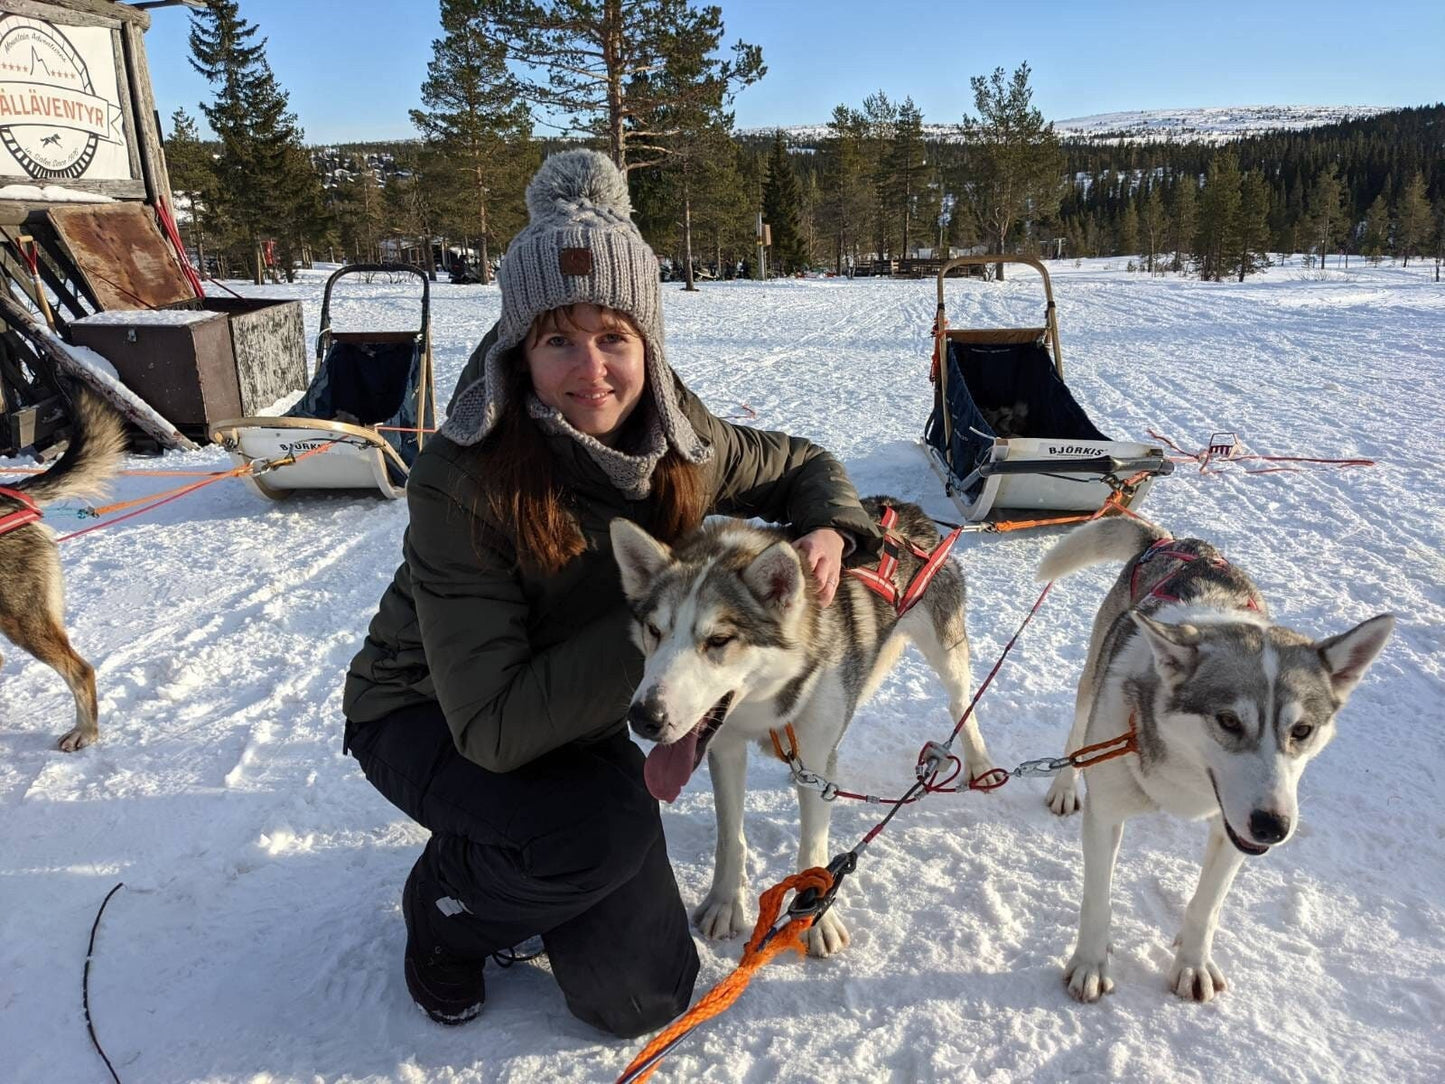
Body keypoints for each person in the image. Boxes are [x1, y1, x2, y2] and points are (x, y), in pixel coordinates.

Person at [341, 150, 879, 1039]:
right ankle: (448, 906)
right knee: (591, 836)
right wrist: (664, 623)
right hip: (432, 712)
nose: (590, 369)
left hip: (599, 704)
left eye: (613, 337)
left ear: (648, 344)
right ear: (521, 346)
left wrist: (830, 529)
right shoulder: (462, 478)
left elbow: (805, 465)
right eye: (559, 339)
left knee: (641, 1000)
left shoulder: (682, 434)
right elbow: (495, 727)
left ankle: (533, 868)